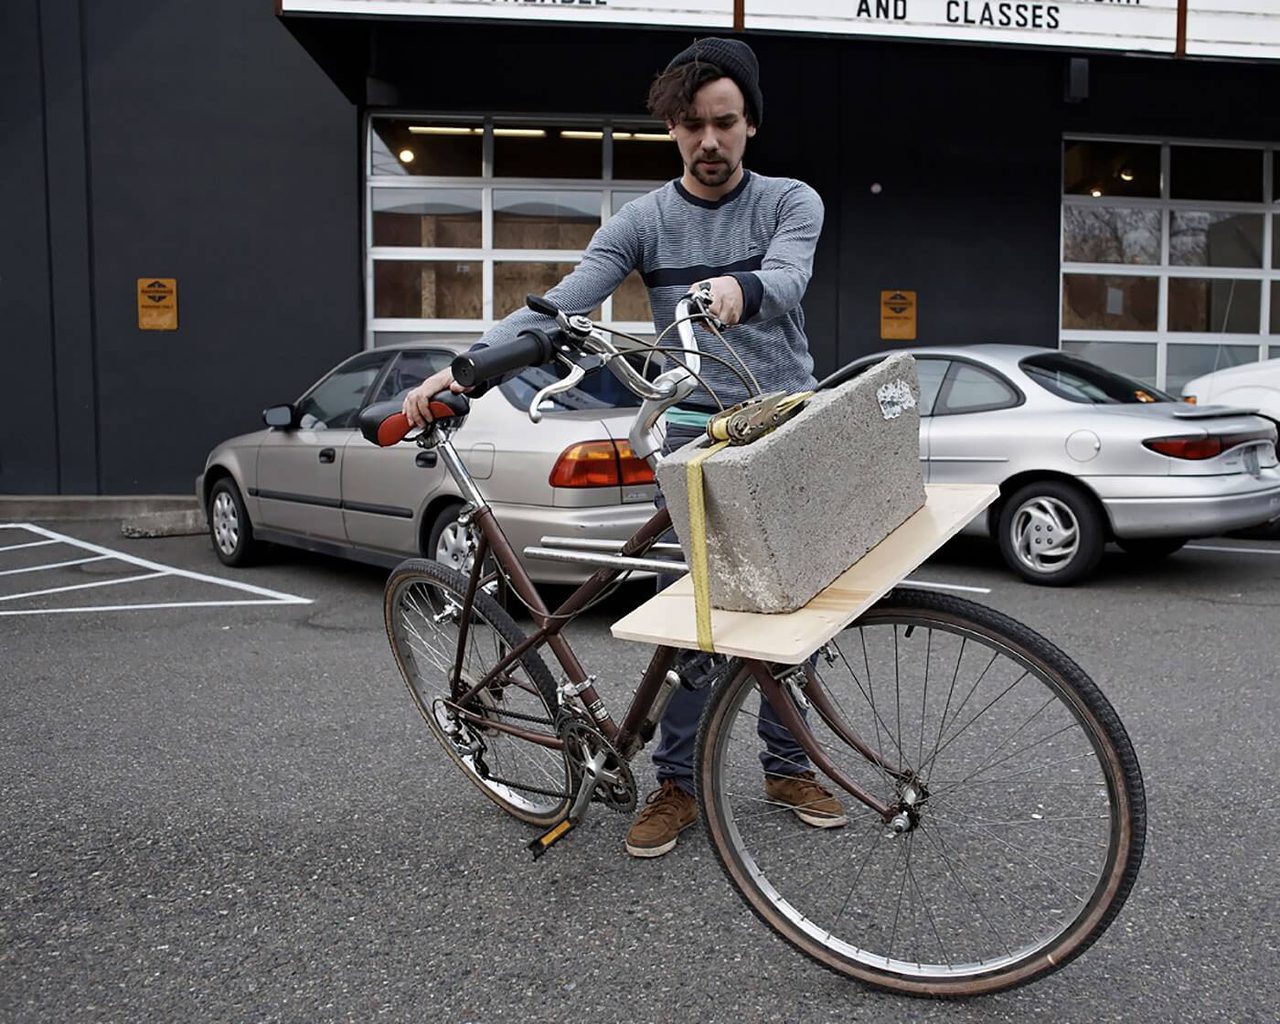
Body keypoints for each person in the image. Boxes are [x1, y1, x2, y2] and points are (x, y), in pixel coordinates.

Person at [402, 37, 846, 858]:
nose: (708, 143)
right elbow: (561, 305)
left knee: (794, 617)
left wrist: (731, 290)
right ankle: (678, 783)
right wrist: (460, 368)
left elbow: (787, 278)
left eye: (724, 124)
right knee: (694, 626)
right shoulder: (642, 222)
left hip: (782, 431)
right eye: (690, 127)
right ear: (673, 130)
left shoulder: (792, 201)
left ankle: (789, 767)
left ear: (750, 123)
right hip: (688, 438)